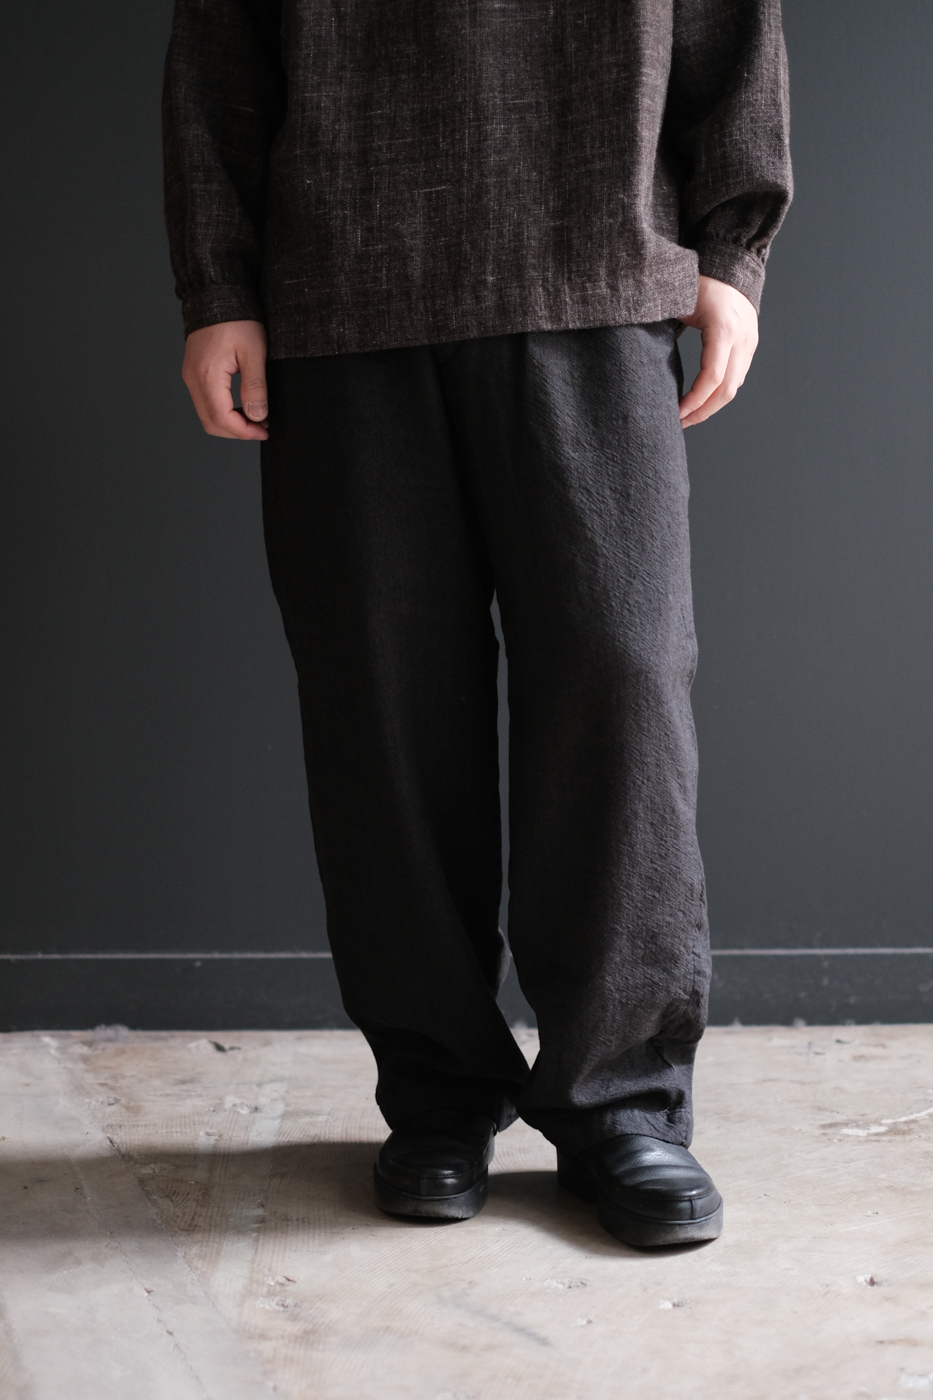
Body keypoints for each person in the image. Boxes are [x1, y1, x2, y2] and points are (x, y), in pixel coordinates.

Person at [163, 0, 791, 1248]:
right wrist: (217, 283)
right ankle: (438, 1091)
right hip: (343, 289)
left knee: (620, 683)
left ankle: (622, 1102)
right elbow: (219, 52)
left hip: (595, 272)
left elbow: (732, 28)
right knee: (383, 708)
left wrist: (733, 253)